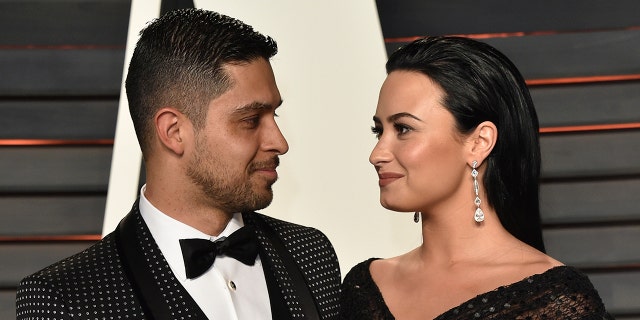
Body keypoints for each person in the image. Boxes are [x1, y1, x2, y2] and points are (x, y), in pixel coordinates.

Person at [16, 8, 341, 320]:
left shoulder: (310, 253)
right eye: (251, 120)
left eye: (275, 114)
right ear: (174, 132)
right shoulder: (63, 299)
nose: (280, 142)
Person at [339, 36, 612, 319]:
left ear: (479, 142)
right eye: (378, 131)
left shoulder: (555, 300)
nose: (377, 154)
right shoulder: (363, 287)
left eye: (404, 129)